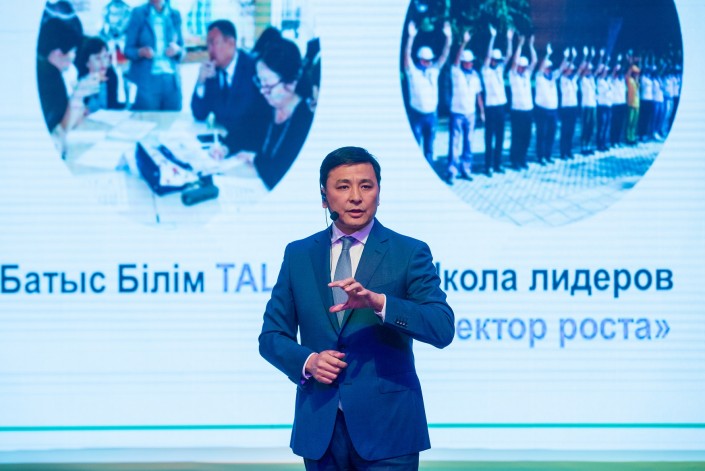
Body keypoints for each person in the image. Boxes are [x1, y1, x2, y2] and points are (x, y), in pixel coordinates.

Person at [259, 146, 454, 470]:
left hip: (390, 430)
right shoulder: (298, 254)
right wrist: (309, 361)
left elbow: (442, 327)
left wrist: (380, 304)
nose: (356, 197)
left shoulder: (408, 252)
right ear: (324, 197)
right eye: (343, 186)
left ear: (379, 192)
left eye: (366, 186)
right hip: (321, 428)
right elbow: (271, 337)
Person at [217, 38, 313, 190]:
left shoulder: (305, 121)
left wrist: (256, 160)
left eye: (268, 85)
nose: (262, 90)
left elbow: (281, 173)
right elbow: (243, 131)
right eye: (260, 82)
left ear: (292, 83)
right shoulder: (266, 104)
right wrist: (225, 147)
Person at [37, 18, 100, 156]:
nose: (74, 56)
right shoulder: (50, 77)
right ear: (58, 53)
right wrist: (78, 96)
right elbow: (60, 130)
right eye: (73, 51)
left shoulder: (48, 71)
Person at [190, 20, 267, 130]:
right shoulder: (212, 71)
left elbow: (246, 115)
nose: (210, 50)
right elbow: (199, 114)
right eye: (208, 45)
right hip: (220, 136)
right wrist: (200, 82)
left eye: (213, 43)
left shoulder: (253, 68)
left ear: (231, 43)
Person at [403, 20, 451, 166]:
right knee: (415, 148)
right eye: (427, 60)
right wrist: (411, 37)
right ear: (421, 60)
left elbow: (444, 56)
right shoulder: (413, 72)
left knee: (429, 149)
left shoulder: (433, 71)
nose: (430, 62)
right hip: (417, 115)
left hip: (432, 115)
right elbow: (407, 56)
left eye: (430, 60)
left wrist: (448, 38)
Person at [124, 0, 184, 111]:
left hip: (171, 80)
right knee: (148, 118)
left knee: (173, 118)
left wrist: (177, 50)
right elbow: (128, 50)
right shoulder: (138, 13)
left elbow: (182, 49)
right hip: (147, 80)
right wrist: (141, 52)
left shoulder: (175, 14)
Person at [446, 30, 484, 183]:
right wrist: (464, 43)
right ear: (463, 62)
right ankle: (452, 172)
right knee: (454, 143)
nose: (471, 63)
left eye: (472, 61)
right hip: (457, 113)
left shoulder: (475, 75)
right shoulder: (456, 72)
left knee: (468, 143)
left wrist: (482, 112)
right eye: (468, 61)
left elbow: (478, 94)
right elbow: (455, 61)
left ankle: (466, 169)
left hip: (471, 114)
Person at [481, 25, 512, 176]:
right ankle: (488, 166)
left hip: (501, 107)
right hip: (491, 108)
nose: (496, 62)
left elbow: (509, 55)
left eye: (498, 60)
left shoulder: (500, 69)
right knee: (489, 138)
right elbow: (487, 57)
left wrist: (509, 39)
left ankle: (497, 164)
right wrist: (492, 38)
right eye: (495, 60)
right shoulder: (485, 70)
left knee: (500, 137)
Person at [508, 34, 536, 169]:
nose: (523, 68)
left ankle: (523, 159)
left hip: (528, 110)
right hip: (517, 111)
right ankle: (515, 160)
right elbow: (514, 62)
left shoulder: (527, 75)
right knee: (517, 136)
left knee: (526, 136)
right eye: (521, 66)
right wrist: (519, 45)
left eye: (524, 67)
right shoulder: (513, 75)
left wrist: (530, 45)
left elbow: (534, 61)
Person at [75, 36, 125, 113]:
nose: (103, 62)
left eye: (105, 57)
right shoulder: (80, 81)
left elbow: (112, 107)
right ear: (87, 63)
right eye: (97, 58)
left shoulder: (111, 75)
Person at [534, 43, 564, 164]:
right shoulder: (539, 77)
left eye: (550, 68)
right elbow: (540, 68)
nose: (549, 70)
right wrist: (547, 54)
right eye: (547, 68)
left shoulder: (553, 78)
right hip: (542, 110)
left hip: (553, 110)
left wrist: (567, 58)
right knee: (542, 133)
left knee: (551, 133)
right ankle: (540, 156)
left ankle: (547, 155)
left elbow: (561, 69)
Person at [558, 47, 579, 159]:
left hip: (573, 107)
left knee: (571, 130)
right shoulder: (563, 79)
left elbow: (580, 70)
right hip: (566, 108)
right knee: (565, 130)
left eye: (572, 70)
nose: (571, 71)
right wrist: (570, 58)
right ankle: (563, 152)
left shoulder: (573, 80)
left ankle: (568, 150)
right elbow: (562, 69)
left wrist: (575, 57)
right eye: (570, 69)